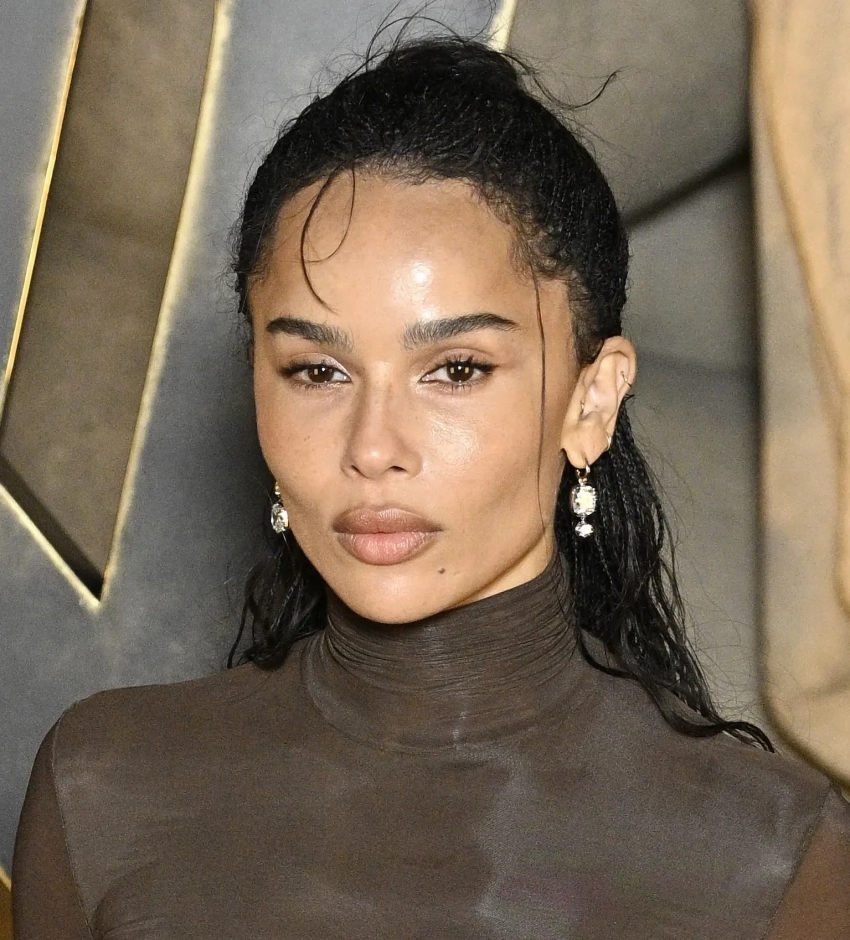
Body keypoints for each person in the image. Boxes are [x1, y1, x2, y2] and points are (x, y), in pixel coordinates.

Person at [12, 33, 850, 939]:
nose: (373, 448)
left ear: (592, 401)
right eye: (317, 372)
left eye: (455, 369)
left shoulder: (774, 859)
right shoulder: (102, 791)